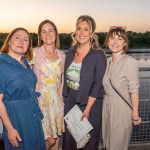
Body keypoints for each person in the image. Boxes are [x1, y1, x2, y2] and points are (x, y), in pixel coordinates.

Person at [62, 15, 106, 150]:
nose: (81, 32)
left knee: (88, 142)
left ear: (92, 32)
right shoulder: (70, 52)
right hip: (70, 103)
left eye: (86, 29)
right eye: (79, 29)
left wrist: (87, 109)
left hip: (89, 105)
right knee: (69, 141)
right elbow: (65, 78)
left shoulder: (98, 55)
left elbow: (97, 84)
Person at [0, 27, 46, 150]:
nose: (21, 41)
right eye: (17, 37)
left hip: (33, 117)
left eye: (26, 40)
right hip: (16, 119)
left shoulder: (25, 63)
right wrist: (9, 129)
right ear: (8, 41)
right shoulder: (1, 64)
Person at [102, 27, 142, 150]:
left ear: (125, 43)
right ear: (107, 41)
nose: (115, 42)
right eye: (112, 38)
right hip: (107, 106)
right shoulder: (107, 61)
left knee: (117, 145)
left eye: (120, 39)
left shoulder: (129, 62)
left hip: (121, 109)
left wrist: (135, 113)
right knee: (107, 143)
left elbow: (134, 90)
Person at [32, 19, 65, 150]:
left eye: (50, 30)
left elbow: (63, 81)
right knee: (48, 141)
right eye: (43, 32)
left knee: (56, 142)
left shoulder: (62, 55)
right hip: (41, 105)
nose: (47, 34)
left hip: (57, 105)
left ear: (56, 33)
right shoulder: (33, 53)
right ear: (40, 36)